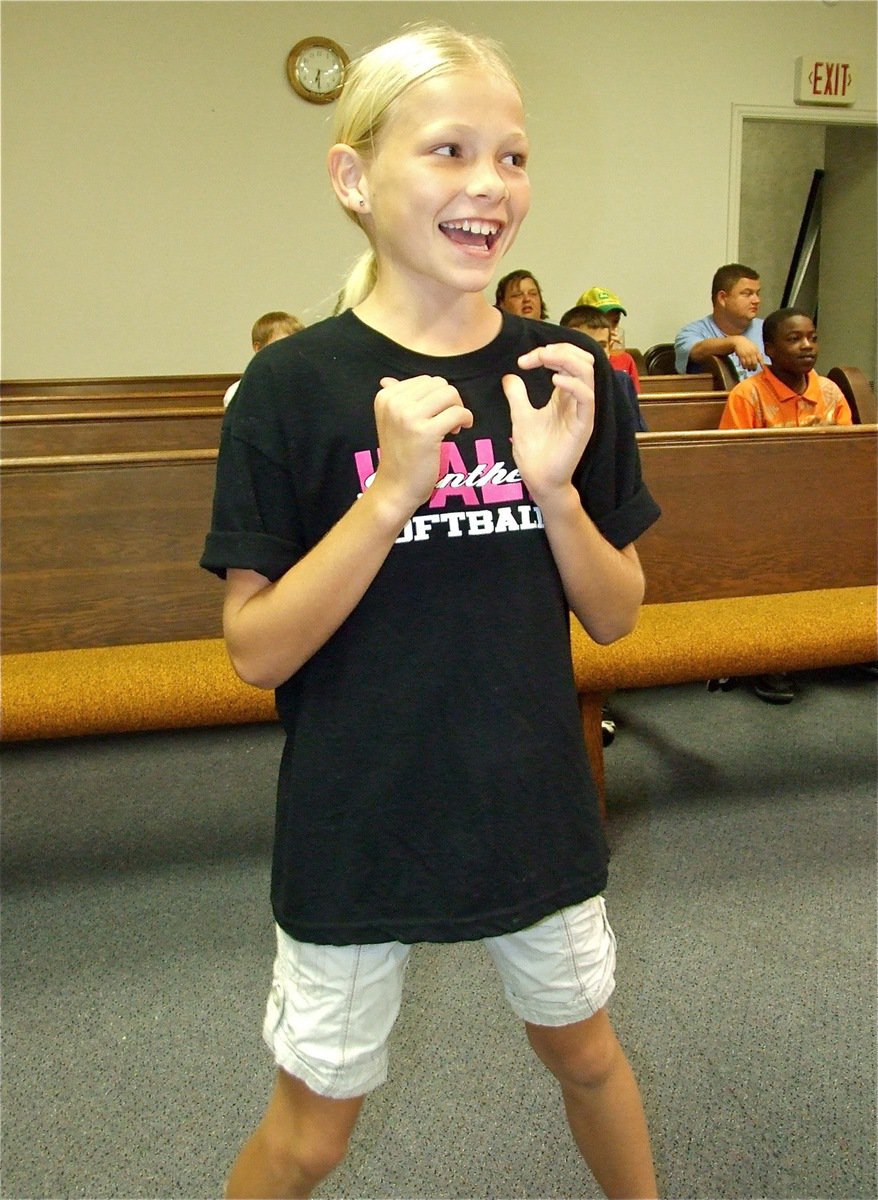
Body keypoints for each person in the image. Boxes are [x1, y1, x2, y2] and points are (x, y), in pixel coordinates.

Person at [201, 23, 659, 1200]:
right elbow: (255, 652)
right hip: (361, 819)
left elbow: (615, 617)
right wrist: (389, 495)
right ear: (353, 178)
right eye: (448, 149)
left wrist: (552, 488)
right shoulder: (290, 390)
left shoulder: (565, 373)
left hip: (529, 804)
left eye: (510, 156)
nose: (487, 186)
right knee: (311, 1134)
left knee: (590, 1060)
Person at [719, 307, 852, 705]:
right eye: (794, 339)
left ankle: (843, 649)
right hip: (763, 509)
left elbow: (850, 456)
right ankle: (771, 658)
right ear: (770, 349)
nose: (807, 346)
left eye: (811, 337)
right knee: (770, 557)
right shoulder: (748, 395)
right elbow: (729, 465)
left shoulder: (829, 392)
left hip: (823, 502)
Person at [560, 305, 647, 432]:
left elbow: (637, 437)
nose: (595, 354)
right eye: (586, 345)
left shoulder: (620, 382)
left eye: (602, 346)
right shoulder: (553, 385)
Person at [674, 263, 764, 380]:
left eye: (757, 293)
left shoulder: (768, 329)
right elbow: (697, 350)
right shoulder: (691, 332)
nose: (756, 300)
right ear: (722, 298)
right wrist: (735, 341)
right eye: (747, 294)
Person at [223, 311, 304, 407]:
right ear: (258, 348)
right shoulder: (238, 393)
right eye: (281, 345)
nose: (290, 351)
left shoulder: (306, 385)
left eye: (295, 345)